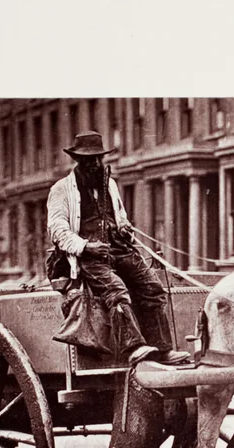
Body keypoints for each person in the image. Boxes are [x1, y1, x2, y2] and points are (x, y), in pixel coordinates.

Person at [47, 131, 190, 365]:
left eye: (97, 159)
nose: (94, 164)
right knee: (116, 290)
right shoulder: (62, 190)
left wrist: (123, 227)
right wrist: (86, 247)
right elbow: (58, 230)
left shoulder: (110, 185)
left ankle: (163, 350)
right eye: (88, 160)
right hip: (87, 258)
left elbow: (120, 216)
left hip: (119, 250)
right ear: (78, 162)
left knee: (152, 287)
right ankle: (133, 347)